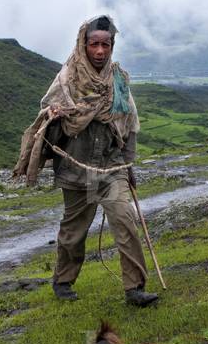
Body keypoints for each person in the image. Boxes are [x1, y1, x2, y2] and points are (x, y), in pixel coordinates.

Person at [15, 15, 158, 306]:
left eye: (106, 45)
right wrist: (55, 115)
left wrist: (128, 165)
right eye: (94, 44)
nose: (100, 51)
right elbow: (47, 115)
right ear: (84, 44)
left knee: (125, 220)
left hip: (110, 167)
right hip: (76, 168)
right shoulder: (68, 78)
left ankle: (135, 289)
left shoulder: (119, 80)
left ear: (112, 46)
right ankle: (63, 282)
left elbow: (129, 124)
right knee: (74, 232)